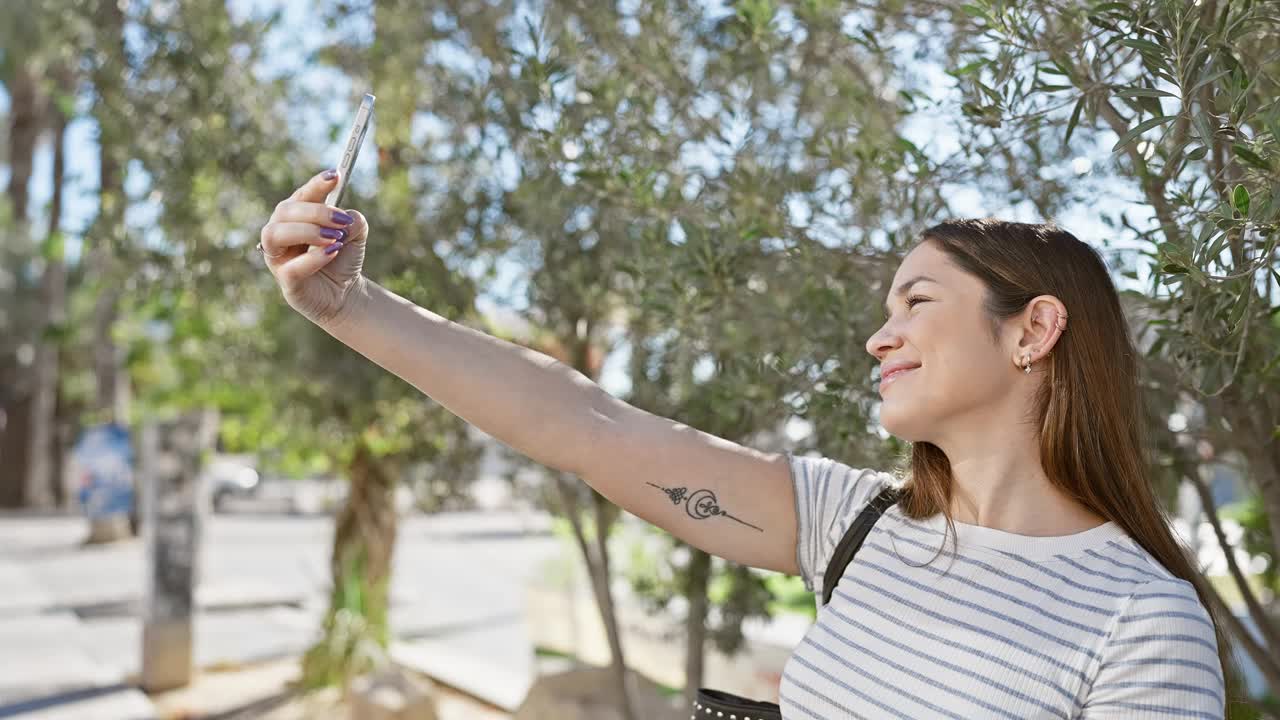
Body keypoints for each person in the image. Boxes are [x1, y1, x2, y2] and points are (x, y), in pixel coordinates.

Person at [260, 170, 1230, 719]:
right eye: (884, 308)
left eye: (917, 303)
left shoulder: (1143, 627)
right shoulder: (854, 524)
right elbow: (583, 423)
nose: (877, 337)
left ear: (1032, 331)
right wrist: (350, 307)